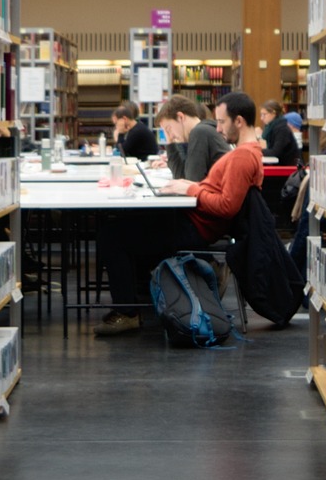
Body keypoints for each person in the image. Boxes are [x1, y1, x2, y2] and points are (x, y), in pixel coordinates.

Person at [97, 91, 265, 336]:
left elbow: (193, 182)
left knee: (112, 235)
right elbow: (190, 180)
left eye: (167, 128)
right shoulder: (231, 145)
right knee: (123, 225)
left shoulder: (203, 134)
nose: (218, 129)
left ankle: (127, 312)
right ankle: (141, 297)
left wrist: (188, 183)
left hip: (198, 226)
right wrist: (176, 148)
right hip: (200, 221)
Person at [155, 93, 228, 183]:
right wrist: (170, 143)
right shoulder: (201, 131)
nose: (170, 136)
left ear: (180, 117)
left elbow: (191, 183)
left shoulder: (200, 132)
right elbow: (181, 178)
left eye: (169, 129)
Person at [258, 99, 300, 166]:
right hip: (278, 165)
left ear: (273, 113)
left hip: (285, 169)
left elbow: (275, 152)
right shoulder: (271, 128)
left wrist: (257, 150)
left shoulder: (282, 129)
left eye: (264, 114)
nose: (261, 118)